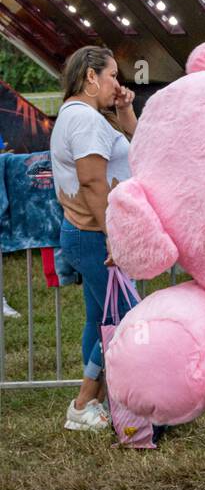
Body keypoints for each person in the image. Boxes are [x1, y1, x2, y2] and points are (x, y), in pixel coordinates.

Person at [49, 46, 137, 430]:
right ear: (90, 77)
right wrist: (112, 238)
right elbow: (91, 181)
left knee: (99, 319)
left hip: (86, 234)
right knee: (125, 320)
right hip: (95, 236)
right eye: (113, 75)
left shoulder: (81, 116)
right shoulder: (84, 120)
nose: (117, 84)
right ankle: (84, 403)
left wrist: (123, 111)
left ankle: (96, 405)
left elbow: (144, 146)